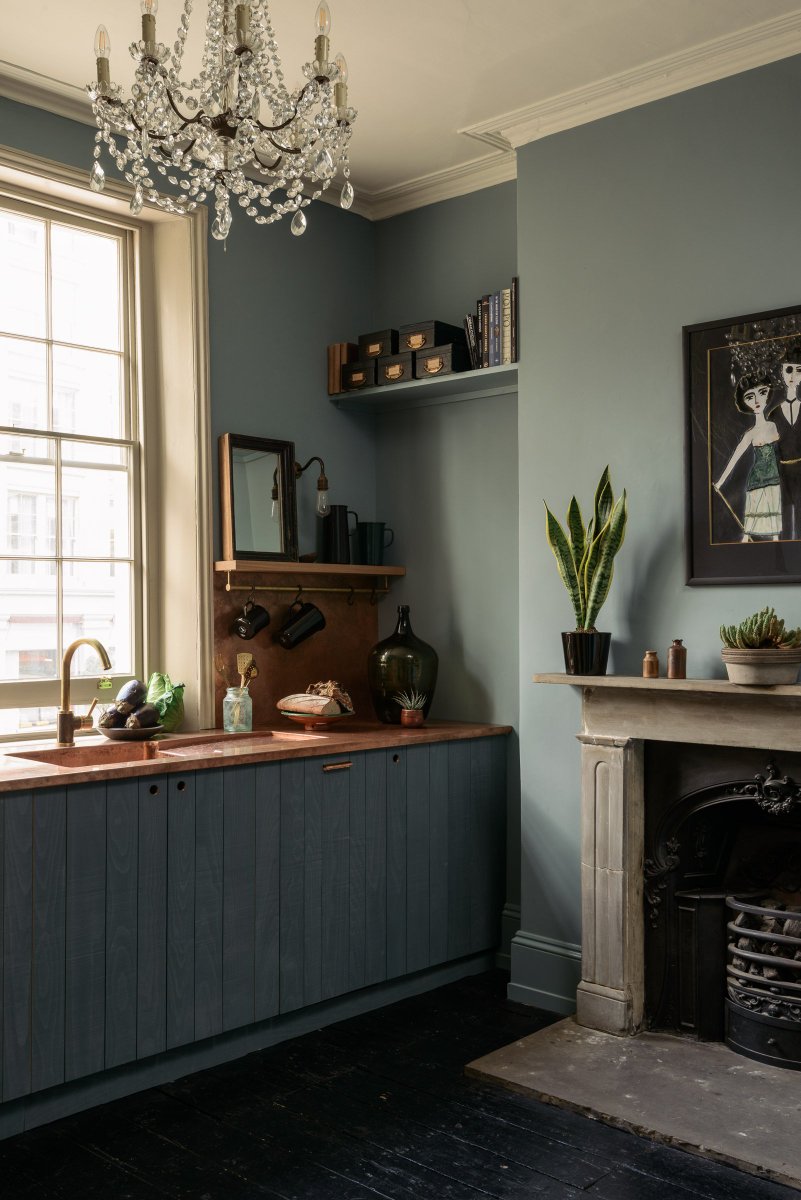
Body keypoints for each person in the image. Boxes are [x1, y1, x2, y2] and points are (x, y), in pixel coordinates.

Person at [714, 375, 781, 541]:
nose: (757, 400)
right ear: (745, 403)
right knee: (752, 516)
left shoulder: (773, 425)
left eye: (762, 393)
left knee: (774, 518)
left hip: (774, 476)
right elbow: (734, 458)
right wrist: (720, 482)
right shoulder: (749, 434)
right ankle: (745, 541)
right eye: (750, 397)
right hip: (757, 478)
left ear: (768, 394)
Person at [770, 343, 801, 539]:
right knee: (783, 523)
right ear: (782, 372)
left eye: (798, 370)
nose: (793, 375)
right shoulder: (773, 414)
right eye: (788, 369)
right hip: (781, 472)